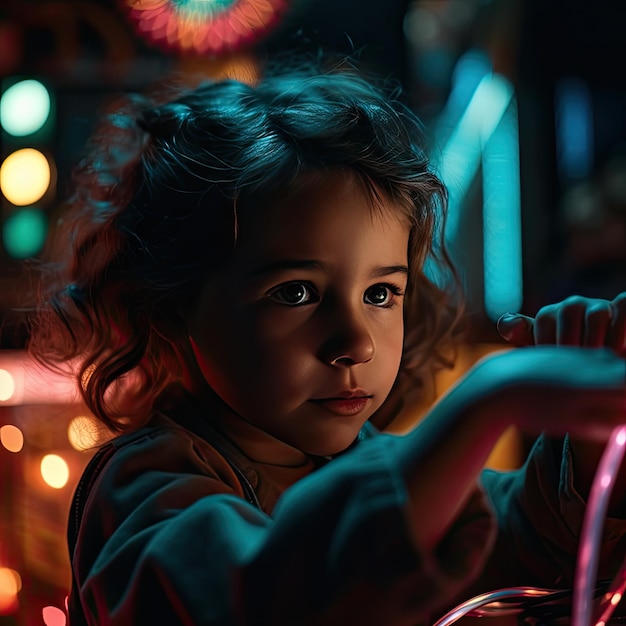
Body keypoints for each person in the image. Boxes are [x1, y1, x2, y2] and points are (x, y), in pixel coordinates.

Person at [27, 58, 626, 625]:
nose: (355, 343)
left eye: (381, 294)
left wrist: (594, 431)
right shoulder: (140, 488)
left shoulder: (351, 460)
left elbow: (533, 546)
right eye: (295, 294)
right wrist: (489, 400)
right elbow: (268, 596)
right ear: (171, 310)